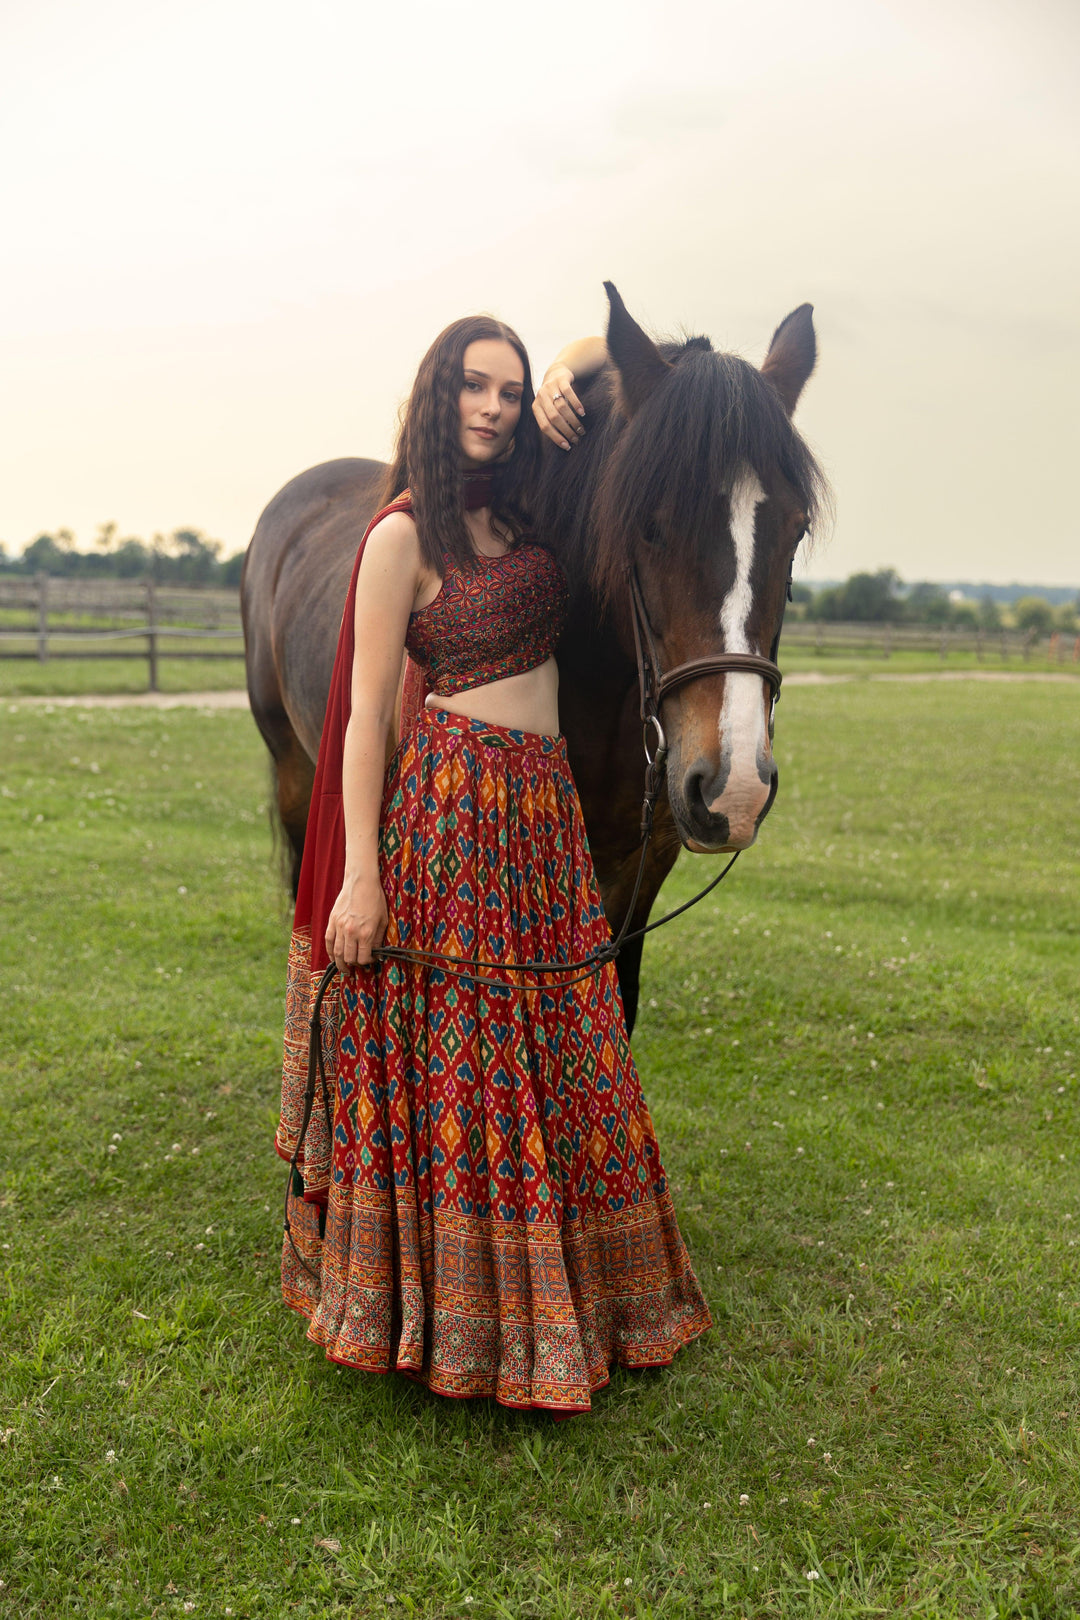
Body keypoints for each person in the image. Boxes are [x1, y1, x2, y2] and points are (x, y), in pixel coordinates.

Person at [275, 315, 711, 1414]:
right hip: (452, 811)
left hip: (543, 815)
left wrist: (573, 362)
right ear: (437, 396)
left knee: (565, 1054)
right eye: (475, 387)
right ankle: (462, 1318)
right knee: (468, 1074)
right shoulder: (399, 539)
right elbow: (368, 714)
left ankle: (575, 1292)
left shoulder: (528, 516)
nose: (494, 408)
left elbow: (662, 345)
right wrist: (361, 876)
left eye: (511, 393)